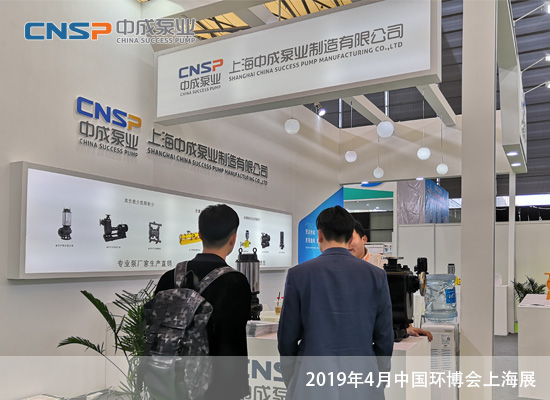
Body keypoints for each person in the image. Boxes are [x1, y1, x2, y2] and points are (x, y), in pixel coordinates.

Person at [278, 206, 393, 400]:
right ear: (350, 237)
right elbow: (384, 338)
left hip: (311, 379)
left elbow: (286, 339)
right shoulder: (377, 275)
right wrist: (377, 378)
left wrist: (294, 379)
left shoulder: (298, 274)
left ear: (319, 235)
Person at [155, 204, 252, 400]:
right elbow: (233, 343)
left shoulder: (169, 278)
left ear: (199, 235)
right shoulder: (235, 282)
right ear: (233, 238)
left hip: (168, 382)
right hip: (217, 388)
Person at [348, 220, 433, 342]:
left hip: (376, 329)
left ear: (364, 239)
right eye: (343, 240)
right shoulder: (338, 267)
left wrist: (407, 327)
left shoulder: (381, 264)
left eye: (351, 238)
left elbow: (396, 298)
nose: (347, 244)